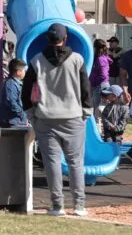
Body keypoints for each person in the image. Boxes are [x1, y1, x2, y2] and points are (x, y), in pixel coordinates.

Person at [21, 23, 91, 217]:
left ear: (47, 39)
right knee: (75, 162)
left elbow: (26, 90)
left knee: (52, 162)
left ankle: (57, 205)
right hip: (73, 117)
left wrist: (31, 113)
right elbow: (85, 88)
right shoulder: (77, 59)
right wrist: (86, 112)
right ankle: (79, 205)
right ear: (65, 38)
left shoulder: (37, 60)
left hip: (45, 117)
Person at [0, 58, 29, 128]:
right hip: (12, 122)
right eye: (24, 70)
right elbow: (12, 102)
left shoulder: (16, 84)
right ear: (18, 72)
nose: (25, 72)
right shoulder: (10, 84)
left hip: (17, 121)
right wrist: (23, 114)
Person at [90, 38, 112, 119]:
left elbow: (104, 75)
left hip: (100, 86)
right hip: (99, 85)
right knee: (98, 108)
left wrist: (94, 82)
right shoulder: (102, 58)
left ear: (95, 48)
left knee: (98, 110)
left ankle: (99, 127)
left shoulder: (100, 59)